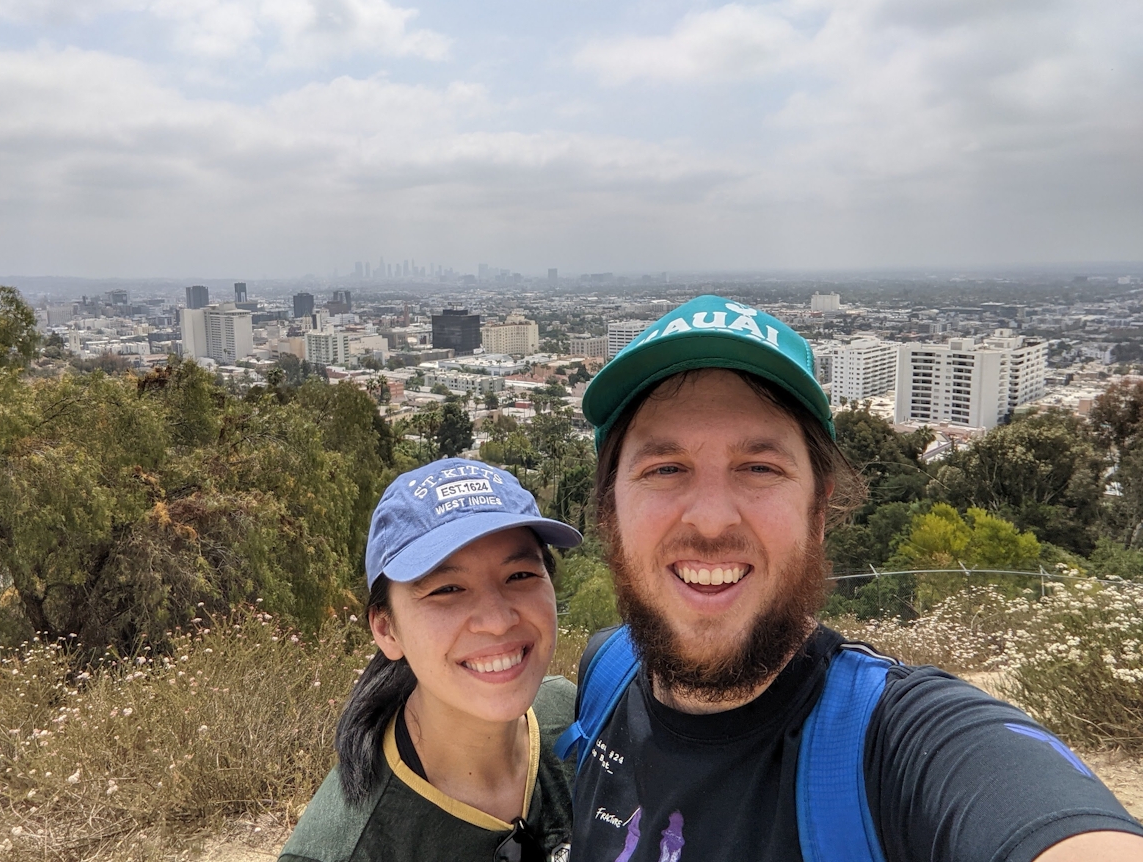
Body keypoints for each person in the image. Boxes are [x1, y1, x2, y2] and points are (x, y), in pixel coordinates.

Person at [561, 295, 1143, 862]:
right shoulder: (605, 674)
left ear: (818, 514)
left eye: (760, 468)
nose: (711, 518)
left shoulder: (902, 746)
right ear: (610, 510)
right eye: (665, 468)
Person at [280, 459, 582, 862]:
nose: (496, 621)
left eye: (520, 576)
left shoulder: (577, 720)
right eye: (448, 589)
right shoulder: (344, 848)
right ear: (387, 630)